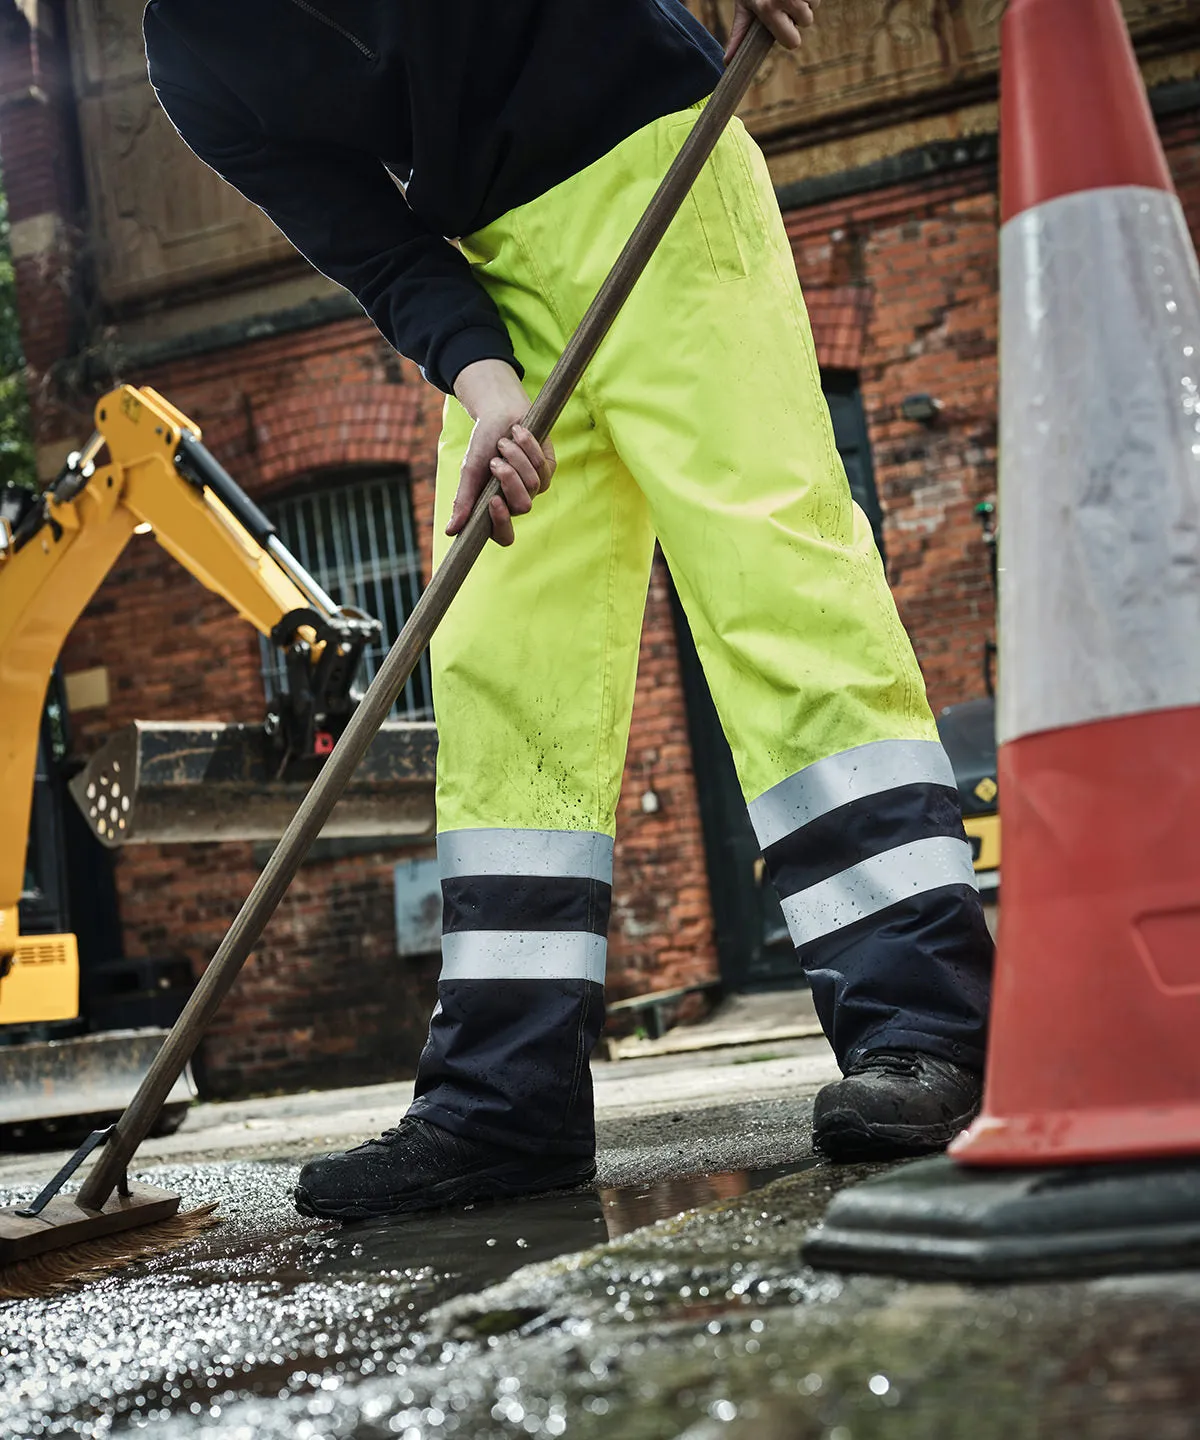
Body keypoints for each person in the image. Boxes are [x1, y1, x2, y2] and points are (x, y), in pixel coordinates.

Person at [143, 0, 993, 1221]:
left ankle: (930, 1030)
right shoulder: (192, 54)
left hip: (661, 165)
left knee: (777, 591)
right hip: (496, 283)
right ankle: (505, 1102)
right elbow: (381, 247)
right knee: (502, 665)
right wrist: (488, 391)